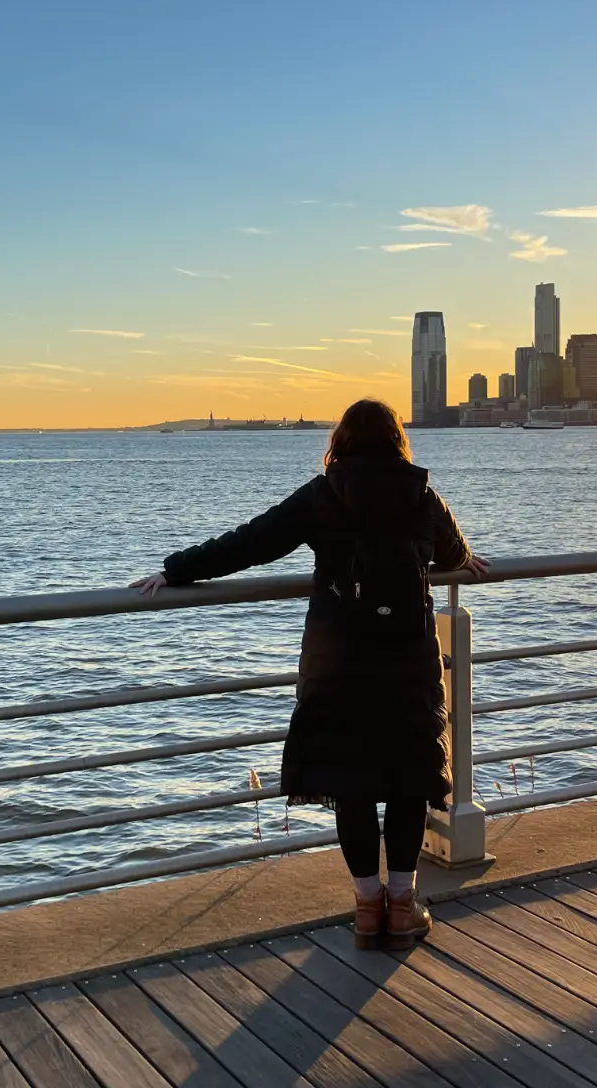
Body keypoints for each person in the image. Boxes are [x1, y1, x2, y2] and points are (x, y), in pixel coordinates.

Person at [133, 398, 486, 949]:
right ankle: (403, 905)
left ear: (341, 442)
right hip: (407, 664)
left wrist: (175, 570)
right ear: (398, 441)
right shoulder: (421, 494)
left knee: (352, 784)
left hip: (338, 664)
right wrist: (463, 559)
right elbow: (453, 550)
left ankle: (367, 910)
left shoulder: (324, 495)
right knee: (407, 782)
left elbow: (249, 543)